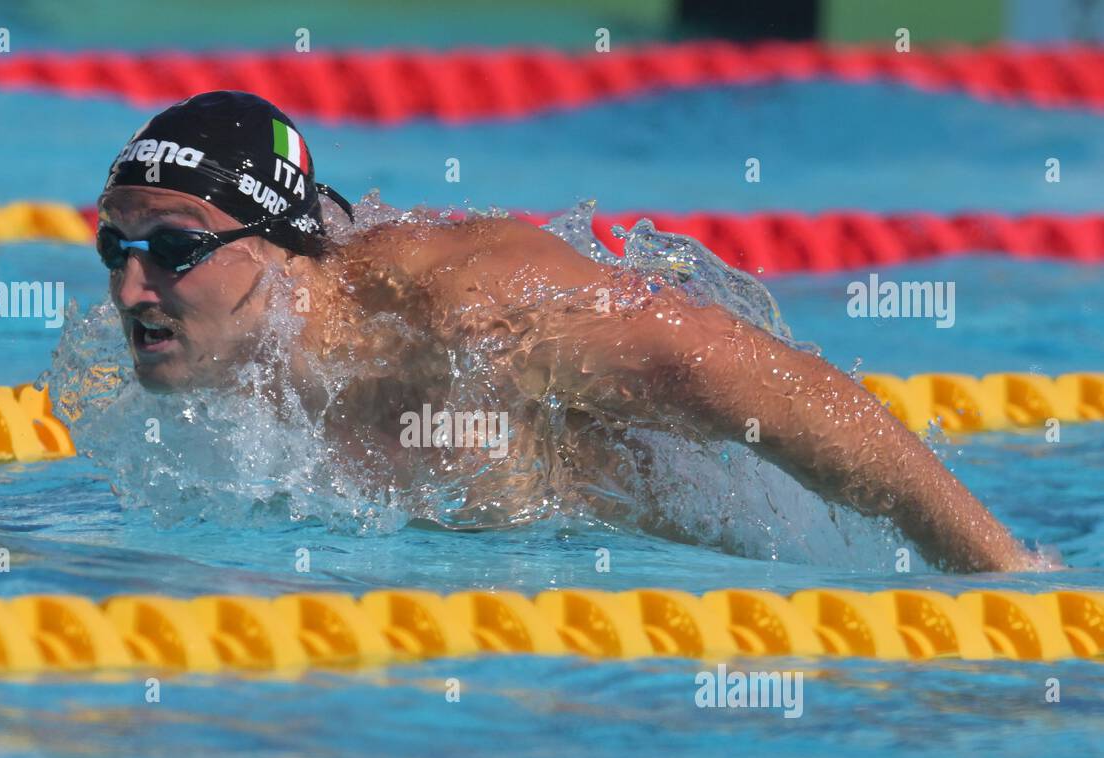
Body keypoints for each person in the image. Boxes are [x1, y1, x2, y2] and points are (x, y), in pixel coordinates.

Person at [96, 90, 1045, 573]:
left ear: (282, 249)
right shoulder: (205, 351)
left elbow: (759, 385)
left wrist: (1003, 575)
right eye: (115, 244)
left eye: (174, 248)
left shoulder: (469, 311)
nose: (132, 284)